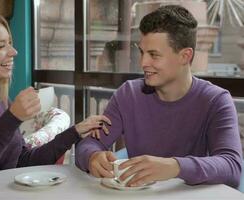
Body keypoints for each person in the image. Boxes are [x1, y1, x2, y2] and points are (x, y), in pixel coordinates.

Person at [0, 11, 111, 189]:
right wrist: (12, 118)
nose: (14, 51)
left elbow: (23, 161)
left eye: (10, 43)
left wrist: (75, 132)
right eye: (1, 46)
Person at [75, 5, 243, 188]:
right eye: (142, 52)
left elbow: (232, 167)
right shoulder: (128, 94)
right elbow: (88, 144)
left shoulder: (216, 100)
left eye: (154, 55)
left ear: (185, 56)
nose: (143, 63)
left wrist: (174, 166)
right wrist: (92, 156)